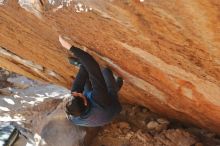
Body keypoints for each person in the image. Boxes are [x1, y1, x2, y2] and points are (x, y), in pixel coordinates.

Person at [59, 35, 123, 127]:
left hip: (93, 111)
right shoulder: (99, 99)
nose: (75, 93)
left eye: (73, 94)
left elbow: (82, 76)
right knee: (106, 71)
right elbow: (93, 67)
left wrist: (83, 58)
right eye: (78, 94)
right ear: (85, 102)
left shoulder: (73, 114)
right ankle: (115, 88)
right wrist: (71, 48)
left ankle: (80, 64)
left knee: (86, 82)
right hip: (110, 109)